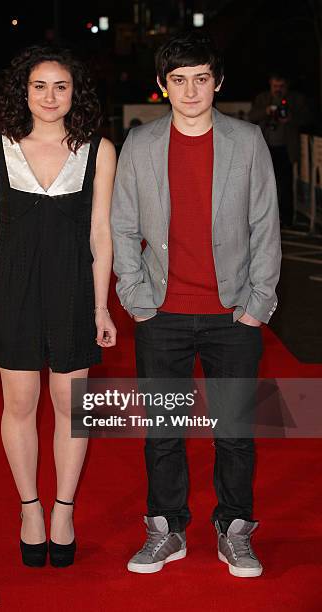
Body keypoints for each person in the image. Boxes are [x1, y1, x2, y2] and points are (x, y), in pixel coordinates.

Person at [111, 31, 281, 577]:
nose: (191, 91)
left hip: (233, 315)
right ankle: (167, 529)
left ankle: (235, 528)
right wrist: (136, 299)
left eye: (201, 79)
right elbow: (122, 226)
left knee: (235, 431)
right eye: (179, 80)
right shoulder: (140, 145)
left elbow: (265, 225)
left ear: (218, 83)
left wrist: (258, 303)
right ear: (162, 87)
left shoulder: (248, 140)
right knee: (164, 432)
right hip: (161, 313)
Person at [0, 45, 117, 568]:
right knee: (20, 405)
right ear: (22, 92)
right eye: (39, 86)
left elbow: (102, 232)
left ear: (76, 93)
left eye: (61, 86)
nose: (50, 97)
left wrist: (101, 307)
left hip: (74, 289)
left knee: (73, 410)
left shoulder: (99, 149)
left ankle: (63, 510)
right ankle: (30, 507)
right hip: (13, 290)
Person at [248, 72, 310, 227]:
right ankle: (266, 218)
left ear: (287, 86)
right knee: (264, 185)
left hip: (286, 149)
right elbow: (252, 116)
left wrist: (291, 118)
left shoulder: (296, 99)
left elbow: (309, 118)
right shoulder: (263, 98)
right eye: (275, 86)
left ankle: (287, 219)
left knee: (286, 185)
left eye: (281, 86)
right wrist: (266, 111)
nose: (278, 89)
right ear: (270, 84)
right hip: (265, 148)